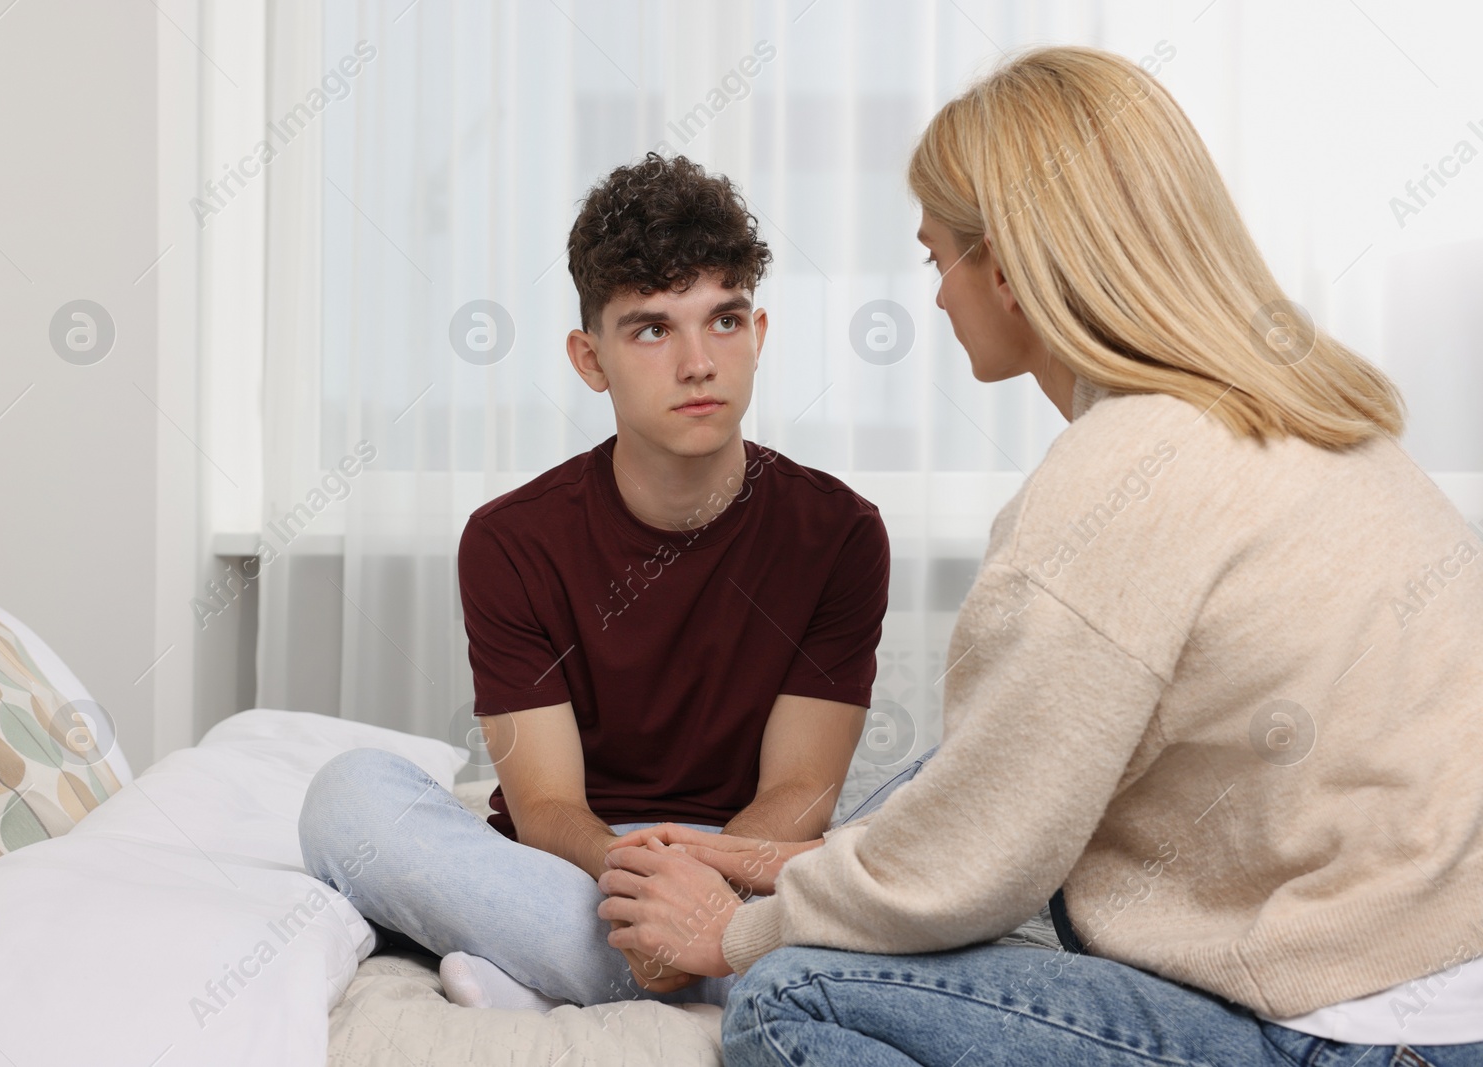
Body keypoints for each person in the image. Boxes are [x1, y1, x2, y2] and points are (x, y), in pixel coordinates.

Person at [599, 45, 1483, 1065]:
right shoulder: (1316, 414)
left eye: (938, 259)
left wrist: (734, 930)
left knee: (792, 995)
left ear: (1008, 266)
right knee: (963, 764)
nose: (934, 299)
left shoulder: (1118, 482)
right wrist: (781, 861)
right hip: (1438, 981)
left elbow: (984, 860)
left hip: (1358, 1032)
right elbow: (1015, 772)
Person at [295, 153, 891, 1012]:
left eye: (722, 322)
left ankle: (556, 966)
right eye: (653, 330)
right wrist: (643, 880)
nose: (697, 363)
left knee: (946, 800)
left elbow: (801, 790)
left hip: (744, 866)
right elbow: (542, 806)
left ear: (758, 334)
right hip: (576, 866)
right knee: (344, 799)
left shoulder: (838, 532)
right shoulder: (509, 540)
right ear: (590, 358)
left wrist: (701, 886)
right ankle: (698, 967)